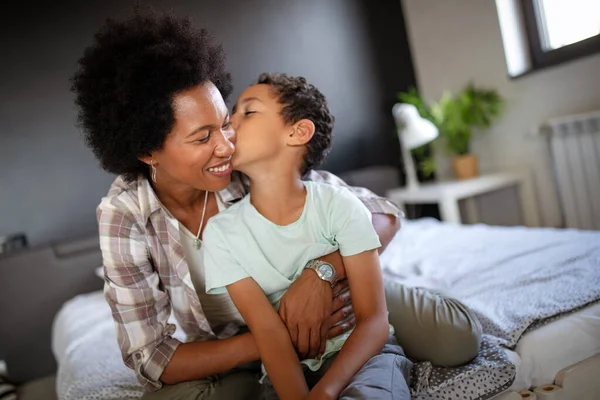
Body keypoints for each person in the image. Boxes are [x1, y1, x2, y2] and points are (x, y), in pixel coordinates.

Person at [71, 7, 482, 399]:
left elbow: (383, 215)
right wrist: (274, 339)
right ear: (147, 151)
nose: (225, 146)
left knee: (456, 340)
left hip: (336, 303)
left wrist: (321, 274)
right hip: (240, 343)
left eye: (226, 123)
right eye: (202, 138)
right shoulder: (125, 214)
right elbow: (151, 357)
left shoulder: (250, 168)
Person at [202, 73, 413, 399]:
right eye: (232, 114)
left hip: (363, 357)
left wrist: (326, 392)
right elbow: (268, 333)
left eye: (248, 112)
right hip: (286, 370)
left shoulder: (338, 204)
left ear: (297, 132)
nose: (230, 124)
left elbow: (374, 321)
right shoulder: (221, 233)